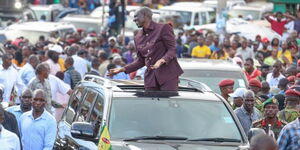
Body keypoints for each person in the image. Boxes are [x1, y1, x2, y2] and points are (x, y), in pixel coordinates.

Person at [109, 7, 183, 91]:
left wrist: (161, 60)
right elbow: (141, 61)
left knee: (168, 103)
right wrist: (122, 69)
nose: (134, 20)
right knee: (150, 104)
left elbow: (172, 50)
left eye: (136, 16)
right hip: (150, 80)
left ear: (145, 15)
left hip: (168, 76)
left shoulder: (163, 28)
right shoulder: (137, 37)